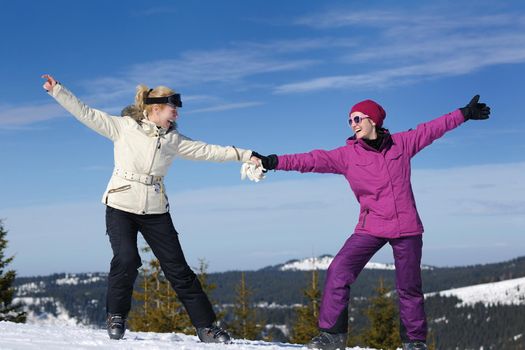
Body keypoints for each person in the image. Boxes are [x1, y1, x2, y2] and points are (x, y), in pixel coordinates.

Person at [252, 96, 490, 350]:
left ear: (372, 120)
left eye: (357, 119)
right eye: (349, 121)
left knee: (409, 287)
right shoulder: (346, 155)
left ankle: (414, 342)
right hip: (371, 226)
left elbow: (432, 128)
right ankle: (332, 335)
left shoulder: (402, 144)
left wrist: (464, 113)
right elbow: (310, 160)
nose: (352, 125)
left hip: (406, 227)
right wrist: (272, 161)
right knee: (338, 271)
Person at [41, 74, 261, 343]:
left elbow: (208, 150)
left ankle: (207, 327)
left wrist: (245, 154)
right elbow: (86, 113)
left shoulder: (173, 139)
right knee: (127, 259)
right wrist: (58, 91)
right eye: (173, 110)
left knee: (178, 269)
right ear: (155, 109)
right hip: (121, 204)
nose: (176, 116)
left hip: (155, 210)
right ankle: (116, 316)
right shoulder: (123, 127)